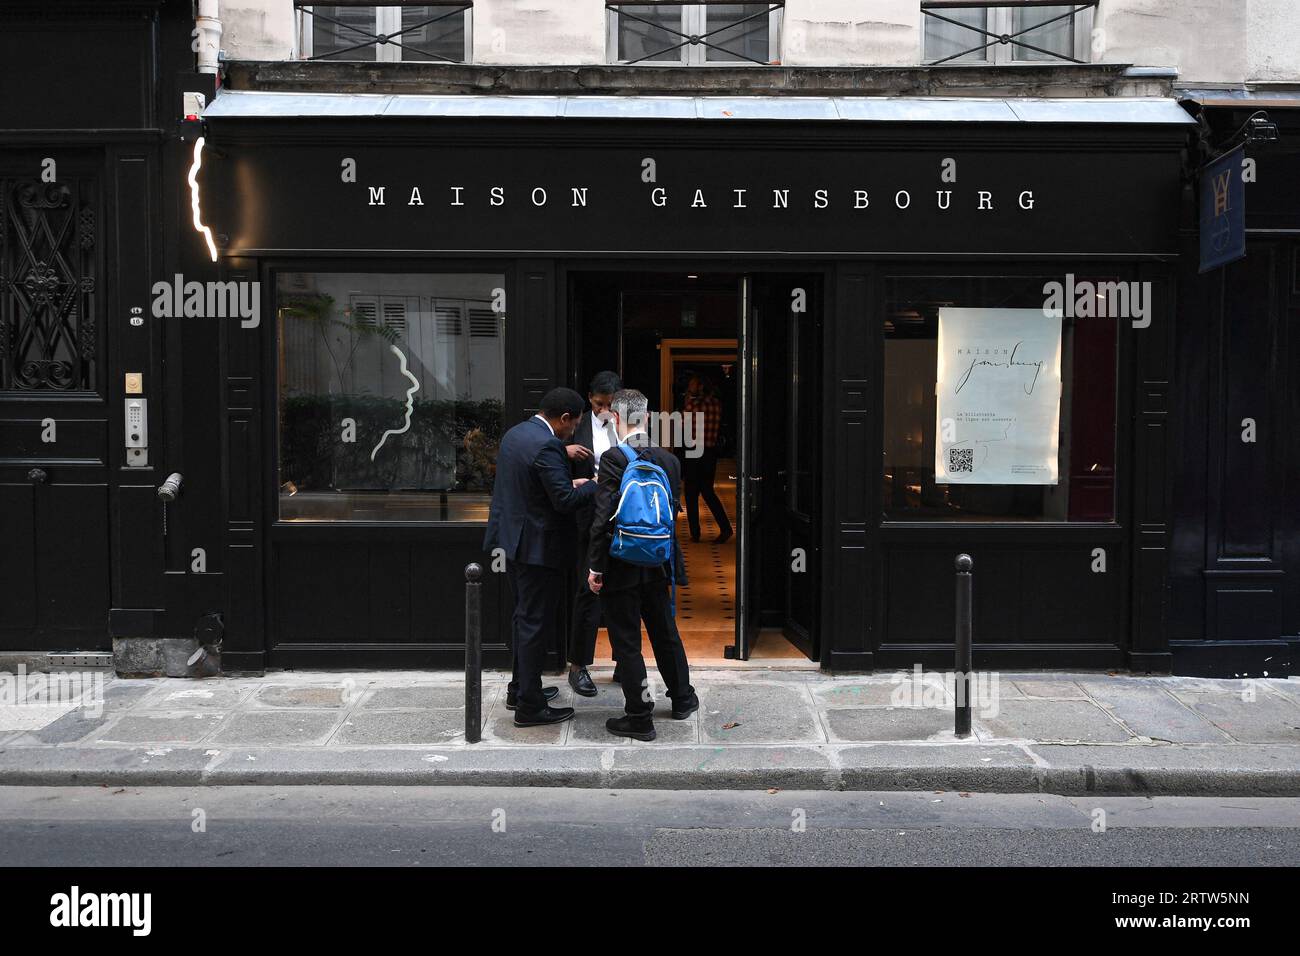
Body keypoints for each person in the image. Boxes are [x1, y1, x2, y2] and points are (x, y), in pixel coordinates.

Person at [587, 388, 698, 741]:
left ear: (615, 418)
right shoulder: (669, 460)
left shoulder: (613, 459)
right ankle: (682, 698)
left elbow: (603, 518)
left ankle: (639, 716)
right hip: (657, 562)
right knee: (665, 631)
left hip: (621, 564)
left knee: (627, 640)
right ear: (647, 417)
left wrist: (595, 567)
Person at [483, 387, 598, 727]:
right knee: (534, 623)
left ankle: (521, 688)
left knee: (523, 618)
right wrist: (593, 483)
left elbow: (534, 486)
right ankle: (530, 707)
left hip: (511, 542)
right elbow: (563, 500)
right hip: (536, 549)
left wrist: (569, 481)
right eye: (574, 425)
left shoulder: (517, 434)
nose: (572, 431)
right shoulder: (548, 445)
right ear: (564, 418)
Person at [564, 370, 622, 698]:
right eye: (599, 404)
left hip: (624, 520)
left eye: (610, 405)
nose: (604, 410)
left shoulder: (632, 427)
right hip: (588, 520)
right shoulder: (577, 428)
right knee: (587, 592)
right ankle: (578, 665)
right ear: (590, 400)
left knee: (624, 592)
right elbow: (554, 467)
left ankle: (623, 662)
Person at [681, 374, 733, 544]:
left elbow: (684, 424)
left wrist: (688, 399)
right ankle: (725, 528)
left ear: (700, 387)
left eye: (692, 385)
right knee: (708, 491)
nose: (689, 388)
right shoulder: (717, 404)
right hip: (710, 452)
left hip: (695, 451)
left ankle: (695, 533)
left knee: (691, 493)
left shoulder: (693, 404)